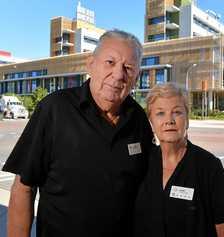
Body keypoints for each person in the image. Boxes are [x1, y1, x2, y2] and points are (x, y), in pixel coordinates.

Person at [2, 29, 153, 237]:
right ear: (90, 64)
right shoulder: (55, 109)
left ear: (137, 77)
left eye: (128, 68)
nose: (118, 75)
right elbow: (24, 188)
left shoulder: (139, 119)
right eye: (110, 62)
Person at [134, 83, 224, 237]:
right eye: (160, 113)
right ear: (151, 123)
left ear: (187, 120)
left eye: (177, 112)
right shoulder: (141, 163)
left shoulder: (208, 166)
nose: (169, 120)